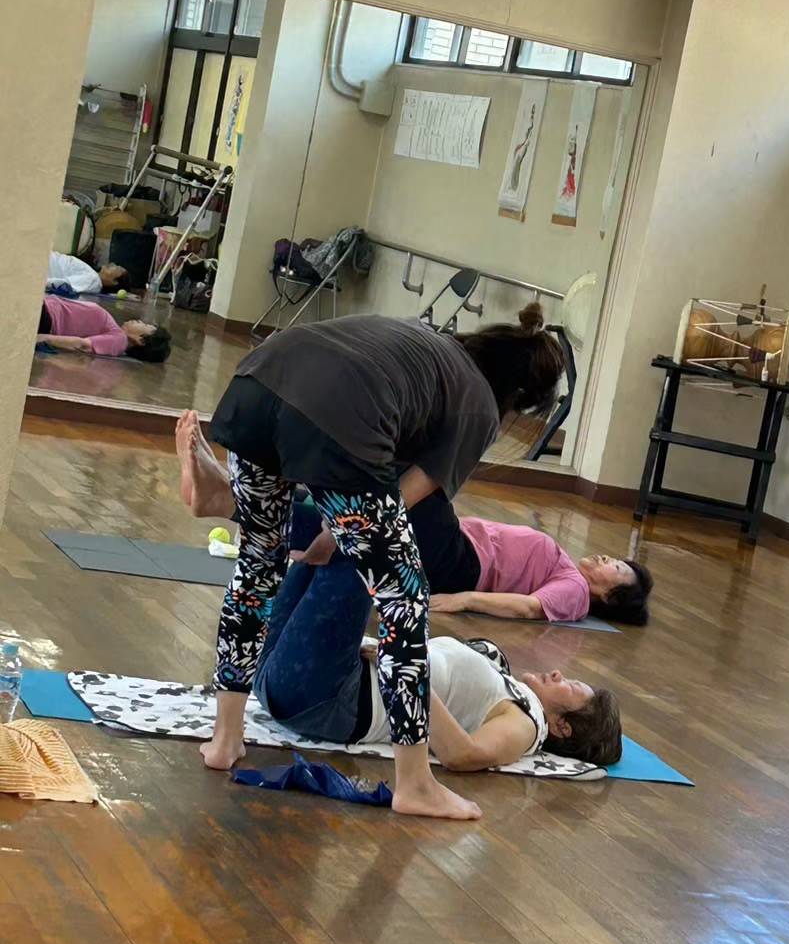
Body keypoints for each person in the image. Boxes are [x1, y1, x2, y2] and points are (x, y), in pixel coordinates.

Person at [200, 305, 564, 823]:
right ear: (518, 397)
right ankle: (415, 784)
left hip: (259, 377)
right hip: (338, 413)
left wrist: (334, 530)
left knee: (258, 565)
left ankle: (224, 738)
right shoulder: (479, 405)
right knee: (404, 599)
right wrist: (339, 532)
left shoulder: (429, 346)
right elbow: (404, 495)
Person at [175, 417, 654, 626]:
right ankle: (228, 499)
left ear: (611, 595)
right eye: (616, 559)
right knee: (351, 516)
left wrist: (464, 600)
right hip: (453, 547)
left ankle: (235, 492)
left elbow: (528, 608)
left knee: (413, 481)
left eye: (616, 568)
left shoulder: (574, 592)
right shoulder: (567, 565)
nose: (607, 559)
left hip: (460, 566)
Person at [252, 554, 622, 770]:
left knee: (361, 540)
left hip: (327, 696)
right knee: (326, 539)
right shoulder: (508, 687)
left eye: (571, 686)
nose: (558, 673)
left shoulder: (527, 725)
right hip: (287, 679)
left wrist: (407, 668)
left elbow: (463, 755)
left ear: (561, 727)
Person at [36, 296, 171, 362]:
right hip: (47, 309)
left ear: (140, 340)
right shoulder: (116, 332)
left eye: (145, 325)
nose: (140, 321)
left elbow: (84, 345)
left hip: (47, 316)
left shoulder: (119, 340)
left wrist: (43, 338)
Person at [46, 250, 127, 294]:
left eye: (118, 268)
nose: (113, 264)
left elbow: (64, 284)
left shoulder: (94, 280)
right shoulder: (93, 276)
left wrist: (40, 283)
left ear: (114, 282)